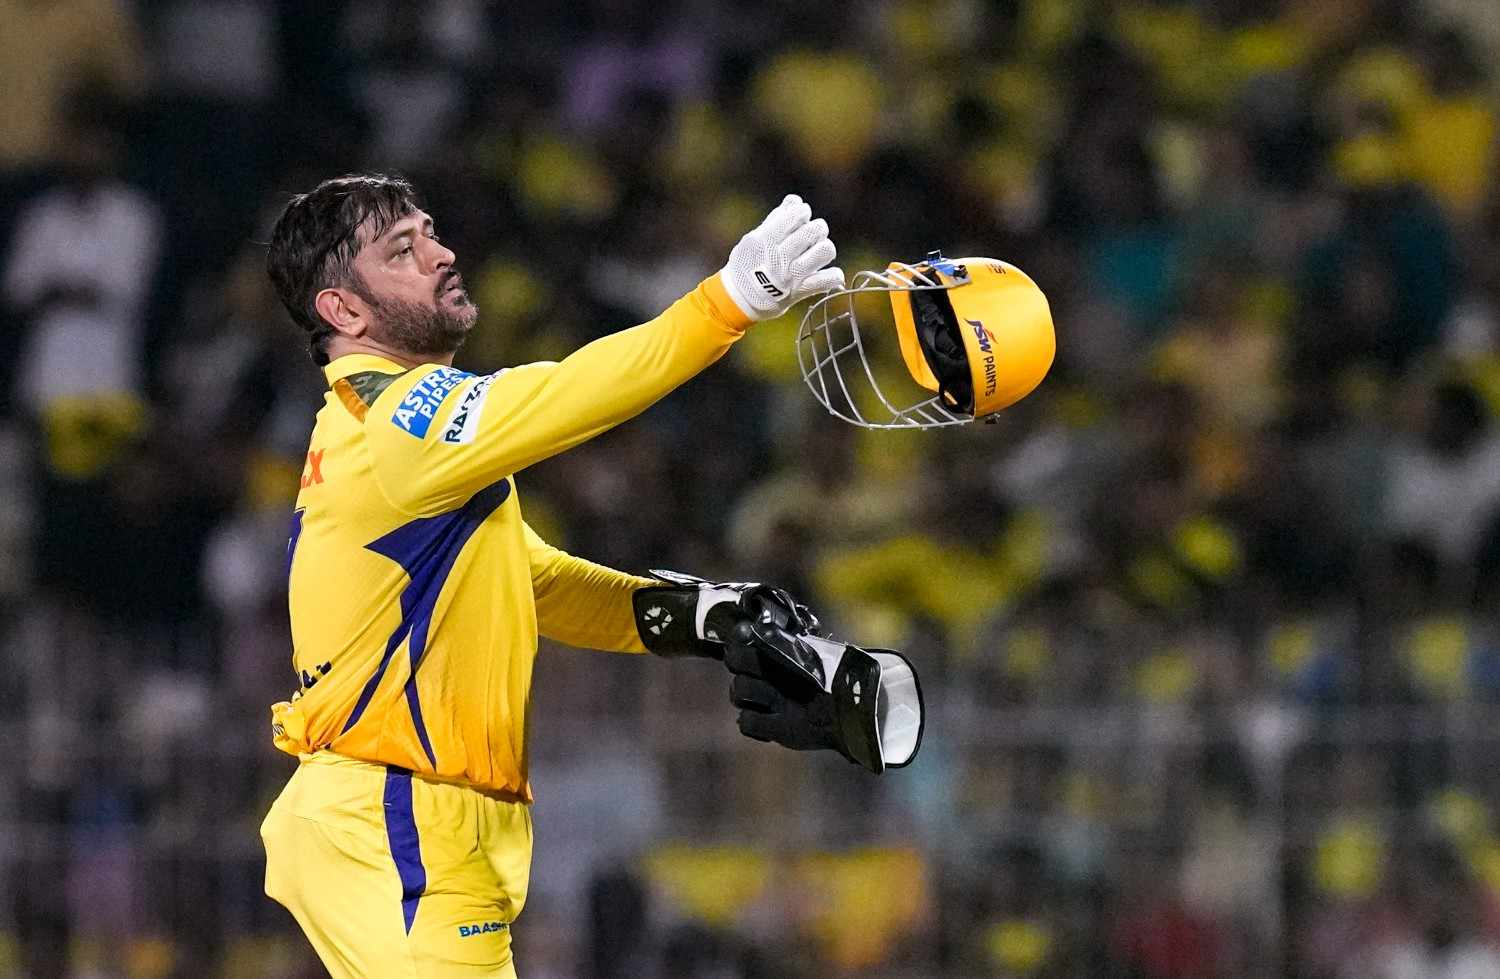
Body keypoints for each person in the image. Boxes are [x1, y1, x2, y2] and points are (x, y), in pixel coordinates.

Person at [258, 173, 846, 977]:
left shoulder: (390, 439)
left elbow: (536, 584)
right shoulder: (398, 417)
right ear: (344, 311)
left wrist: (699, 618)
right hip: (396, 815)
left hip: (403, 819)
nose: (441, 254)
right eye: (402, 250)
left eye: (431, 232)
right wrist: (727, 303)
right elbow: (568, 394)